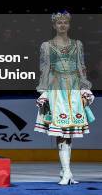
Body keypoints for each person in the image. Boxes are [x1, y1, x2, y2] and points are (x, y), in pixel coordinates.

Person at [34, 11, 95, 185]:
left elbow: (81, 66)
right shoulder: (47, 45)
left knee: (69, 132)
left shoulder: (78, 44)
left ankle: (65, 170)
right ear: (54, 25)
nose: (62, 25)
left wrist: (84, 89)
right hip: (56, 89)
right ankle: (67, 171)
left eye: (65, 22)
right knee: (60, 131)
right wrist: (43, 92)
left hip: (74, 90)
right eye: (59, 23)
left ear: (69, 25)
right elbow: (44, 69)